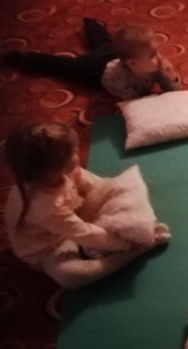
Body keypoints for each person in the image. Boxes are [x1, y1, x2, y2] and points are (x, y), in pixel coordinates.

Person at [2, 121, 170, 289]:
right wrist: (127, 244)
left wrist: (116, 198)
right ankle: (137, 250)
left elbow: (96, 185)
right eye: (73, 152)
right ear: (54, 168)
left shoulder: (58, 173)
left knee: (115, 188)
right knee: (70, 275)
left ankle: (137, 231)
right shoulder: (45, 207)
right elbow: (84, 234)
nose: (77, 150)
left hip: (74, 219)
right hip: (51, 247)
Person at [3, 18, 180, 100]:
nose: (160, 58)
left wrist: (171, 77)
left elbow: (173, 90)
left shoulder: (154, 66)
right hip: (94, 69)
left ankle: (92, 24)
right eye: (153, 55)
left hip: (112, 54)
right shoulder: (119, 78)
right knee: (64, 66)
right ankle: (24, 58)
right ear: (133, 63)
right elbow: (134, 101)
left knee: (104, 42)